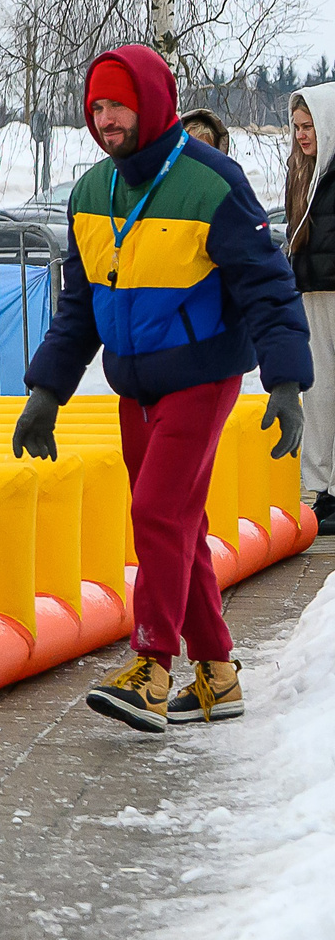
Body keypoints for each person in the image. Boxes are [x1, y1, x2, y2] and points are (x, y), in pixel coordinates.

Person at [16, 44, 310, 732]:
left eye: (118, 103)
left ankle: (151, 666)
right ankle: (218, 674)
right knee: (179, 523)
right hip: (134, 386)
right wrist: (47, 392)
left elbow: (267, 286)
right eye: (95, 106)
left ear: (151, 103)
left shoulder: (213, 183)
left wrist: (287, 381)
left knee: (155, 513)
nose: (106, 118)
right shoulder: (92, 192)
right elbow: (80, 305)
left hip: (203, 376)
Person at [288, 83, 335, 524]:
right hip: (313, 290)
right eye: (298, 127)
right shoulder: (302, 171)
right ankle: (322, 488)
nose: (303, 135)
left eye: (310, 126)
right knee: (318, 392)